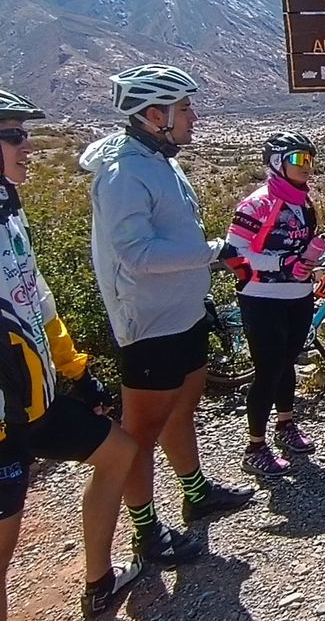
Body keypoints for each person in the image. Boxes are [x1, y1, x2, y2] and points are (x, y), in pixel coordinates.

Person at [0, 86, 182, 621]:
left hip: (34, 399)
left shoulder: (4, 214)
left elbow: (37, 302)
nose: (27, 146)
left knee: (120, 451)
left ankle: (100, 579)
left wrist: (76, 371)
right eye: (13, 136)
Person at [81, 63, 255, 543]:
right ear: (153, 114)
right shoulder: (122, 173)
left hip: (184, 310)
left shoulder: (161, 160)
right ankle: (144, 529)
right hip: (149, 321)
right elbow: (135, 253)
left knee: (184, 406)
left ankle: (195, 492)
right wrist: (214, 253)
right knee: (140, 431)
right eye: (184, 108)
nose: (193, 116)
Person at [223, 132, 325, 476]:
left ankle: (285, 425)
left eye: (310, 160)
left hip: (298, 295)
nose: (306, 168)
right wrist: (281, 265)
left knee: (287, 365)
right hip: (261, 297)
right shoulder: (256, 204)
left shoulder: (303, 203)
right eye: (299, 159)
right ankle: (254, 446)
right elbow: (233, 254)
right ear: (276, 161)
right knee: (267, 371)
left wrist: (309, 259)